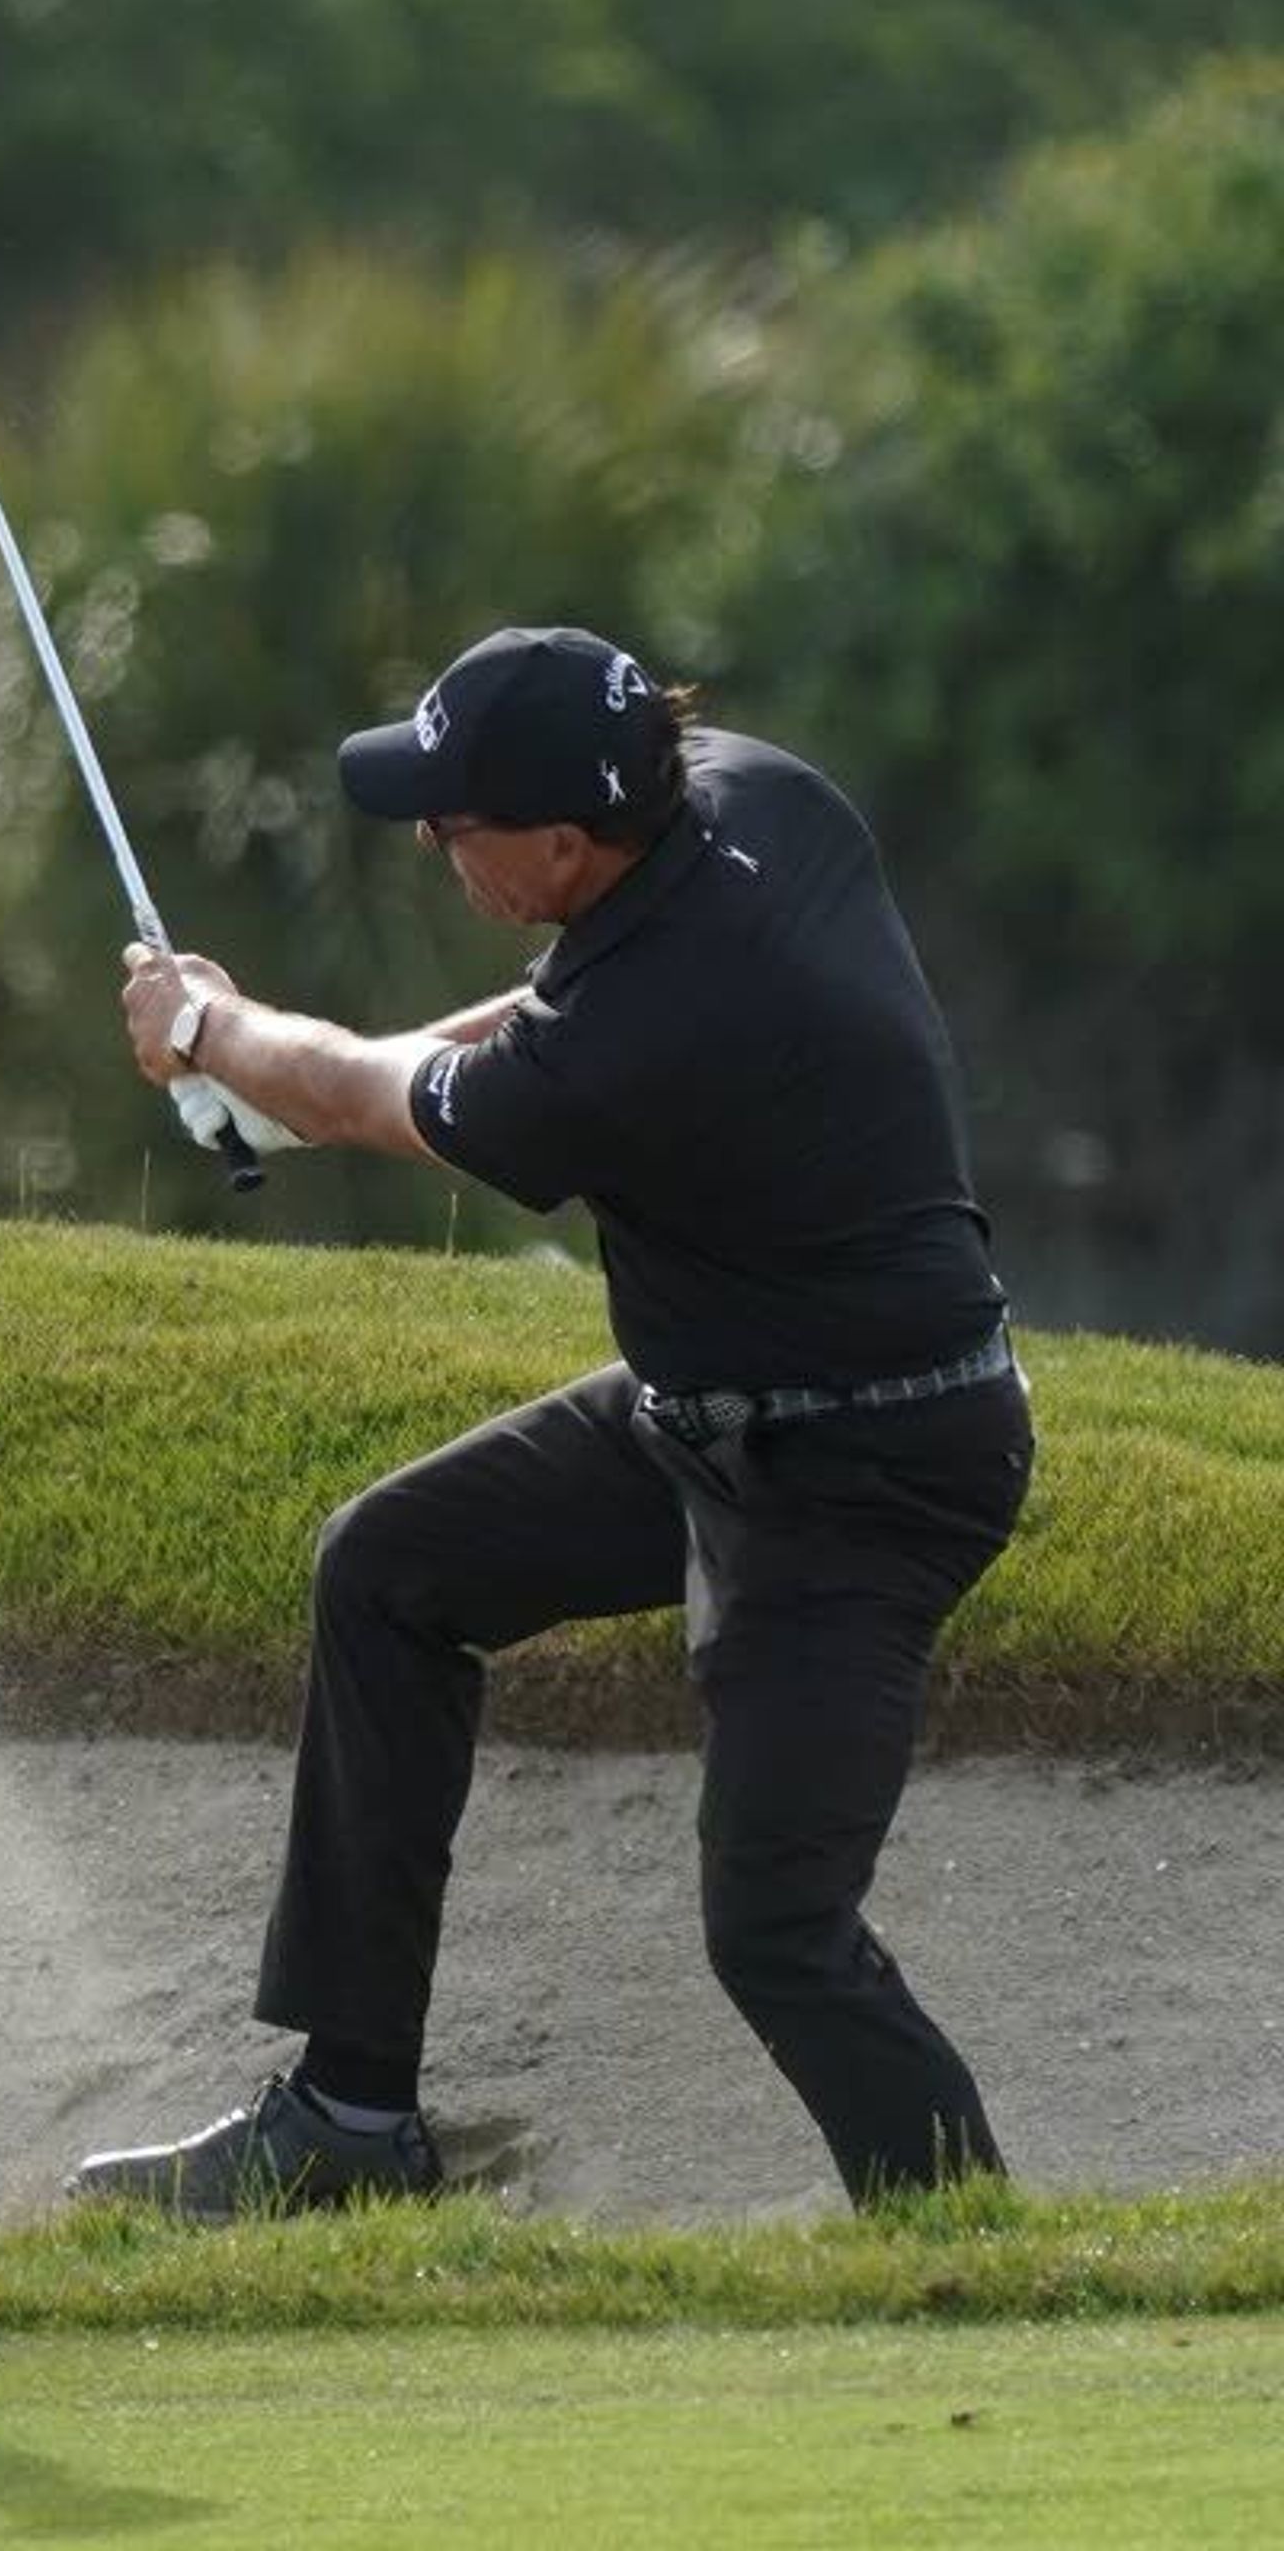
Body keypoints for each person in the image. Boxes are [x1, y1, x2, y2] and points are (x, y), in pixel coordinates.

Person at [72, 625, 1035, 2218]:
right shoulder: (748, 796)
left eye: (457, 829)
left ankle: (974, 2257)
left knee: (776, 1931)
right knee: (388, 1568)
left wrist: (213, 1037)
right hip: (707, 1417)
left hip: (866, 1471)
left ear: (566, 840)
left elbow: (421, 1091)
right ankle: (350, 2121)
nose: (438, 846)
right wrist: (283, 1068)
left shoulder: (648, 1035)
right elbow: (540, 1015)